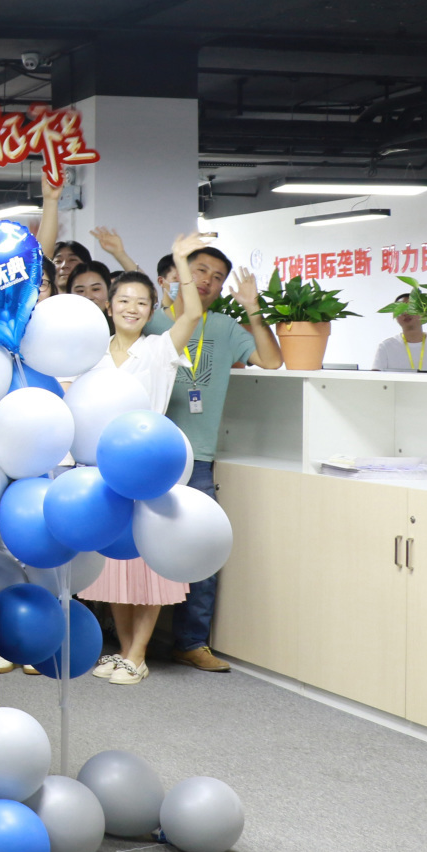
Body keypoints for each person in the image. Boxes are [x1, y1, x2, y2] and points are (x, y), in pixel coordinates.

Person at [76, 237, 210, 685]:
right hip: (103, 469)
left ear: (152, 309)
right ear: (109, 305)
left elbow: (192, 313)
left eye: (141, 302)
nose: (131, 308)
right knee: (114, 562)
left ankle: (138, 653)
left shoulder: (158, 349)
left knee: (149, 562)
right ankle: (122, 650)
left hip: (149, 466)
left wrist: (181, 261)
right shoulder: (91, 354)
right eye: (123, 300)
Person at [147, 243, 283, 672]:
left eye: (217, 276)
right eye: (200, 270)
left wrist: (253, 307)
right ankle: (129, 640)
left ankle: (191, 642)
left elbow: (271, 361)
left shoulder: (223, 327)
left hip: (199, 458)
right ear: (178, 275)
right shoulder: (150, 320)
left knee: (203, 547)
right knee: (137, 548)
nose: (207, 280)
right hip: (148, 454)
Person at [372, 295, 427, 372]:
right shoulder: (386, 347)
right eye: (400, 310)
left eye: (410, 308)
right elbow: (375, 377)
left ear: (422, 311)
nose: (405, 313)